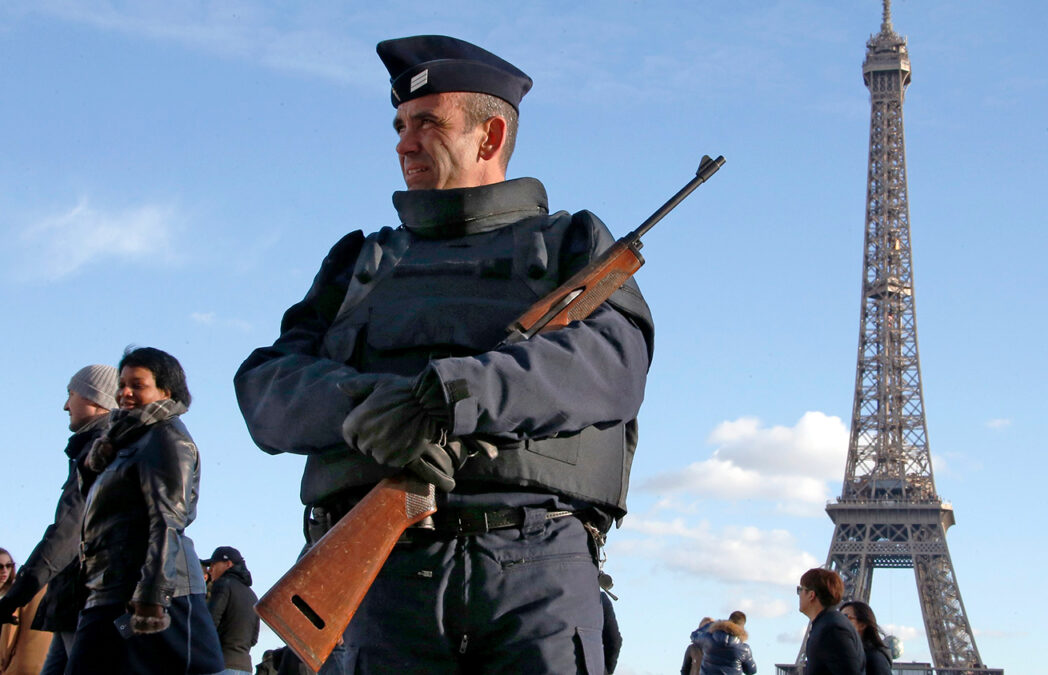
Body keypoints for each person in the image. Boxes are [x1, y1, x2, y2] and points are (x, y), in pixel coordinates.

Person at [234, 35, 653, 674]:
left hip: (535, 573)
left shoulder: (574, 246)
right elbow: (264, 387)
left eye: (426, 122)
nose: (403, 142)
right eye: (400, 125)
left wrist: (454, 394)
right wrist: (366, 411)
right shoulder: (357, 263)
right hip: (379, 581)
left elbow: (610, 365)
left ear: (489, 137)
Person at [65, 347, 223, 675]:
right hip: (109, 592)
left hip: (156, 593)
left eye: (137, 385)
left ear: (166, 391)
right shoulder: (123, 441)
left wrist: (152, 599)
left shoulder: (166, 438)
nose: (124, 392)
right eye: (122, 384)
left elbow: (167, 520)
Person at [0, 365, 118, 675]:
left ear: (96, 399)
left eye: (71, 394)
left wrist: (13, 597)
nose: (66, 405)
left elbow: (66, 534)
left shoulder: (98, 452)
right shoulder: (98, 448)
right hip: (75, 597)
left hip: (84, 596)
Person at [202, 547, 260, 675]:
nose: (210, 570)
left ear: (228, 564)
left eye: (213, 565)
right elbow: (254, 639)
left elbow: (210, 624)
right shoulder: (252, 595)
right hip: (245, 667)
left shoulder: (223, 584)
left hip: (221, 664)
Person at [798, 568, 865, 675]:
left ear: (811, 595)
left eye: (800, 590)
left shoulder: (831, 629)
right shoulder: (829, 624)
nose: (799, 595)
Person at [1, 548, 52, 675]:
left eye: (9, 566)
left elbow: (9, 631)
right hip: (44, 664)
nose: (5, 571)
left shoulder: (15, 594)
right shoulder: (47, 587)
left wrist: (2, 663)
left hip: (18, 663)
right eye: (0, 567)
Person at [689, 611, 757, 674]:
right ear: (742, 627)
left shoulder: (708, 639)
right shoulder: (744, 649)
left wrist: (710, 624)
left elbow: (694, 635)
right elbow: (751, 671)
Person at [841, 601, 892, 675]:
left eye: (845, 617)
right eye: (839, 617)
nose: (840, 622)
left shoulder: (875, 658)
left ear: (862, 625)